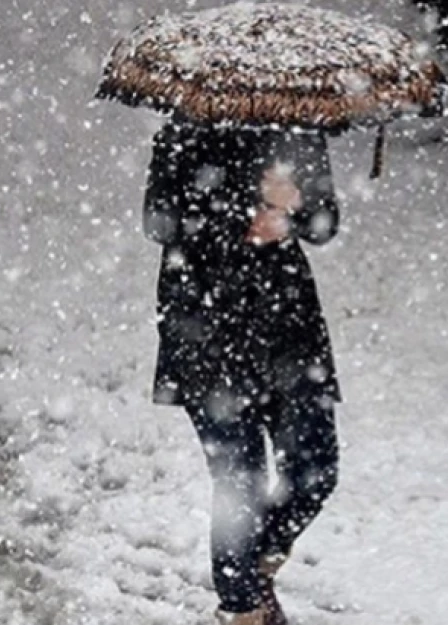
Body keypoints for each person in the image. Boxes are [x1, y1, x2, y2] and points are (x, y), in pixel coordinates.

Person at [142, 115, 341, 625]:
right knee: (240, 482)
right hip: (206, 330)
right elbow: (160, 222)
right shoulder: (185, 130)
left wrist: (294, 211)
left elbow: (326, 222)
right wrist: (246, 211)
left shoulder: (297, 127)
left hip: (288, 330)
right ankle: (243, 609)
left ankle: (255, 566)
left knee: (314, 468)